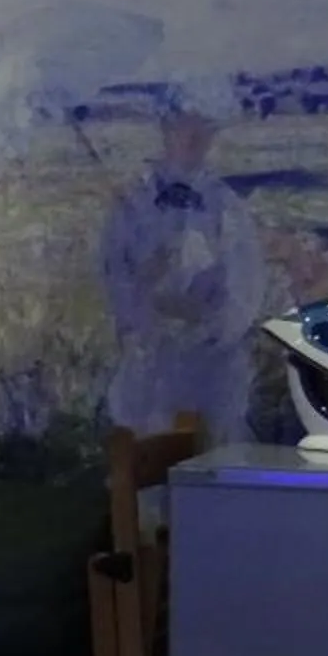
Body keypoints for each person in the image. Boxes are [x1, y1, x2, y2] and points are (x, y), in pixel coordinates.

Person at [98, 91, 268, 445]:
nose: (193, 137)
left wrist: (205, 322)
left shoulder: (227, 209)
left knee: (217, 461)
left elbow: (246, 288)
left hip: (212, 372)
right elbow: (114, 282)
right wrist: (145, 290)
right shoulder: (131, 207)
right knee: (148, 462)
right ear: (166, 129)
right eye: (184, 125)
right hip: (149, 369)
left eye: (203, 127)